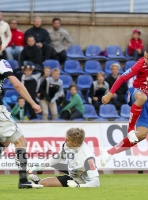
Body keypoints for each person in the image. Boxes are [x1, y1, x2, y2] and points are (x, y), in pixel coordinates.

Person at [0, 36, 43, 189]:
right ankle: (23, 180)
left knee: (4, 141)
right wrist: (32, 103)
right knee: (20, 142)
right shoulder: (2, 63)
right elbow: (17, 85)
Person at [27, 128, 100, 188]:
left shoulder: (88, 158)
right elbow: (58, 157)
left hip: (82, 181)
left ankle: (38, 181)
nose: (65, 141)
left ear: (75, 143)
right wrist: (40, 167)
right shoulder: (67, 146)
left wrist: (78, 186)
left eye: (67, 140)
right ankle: (38, 180)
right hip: (72, 173)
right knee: (42, 181)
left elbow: (96, 183)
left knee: (41, 183)